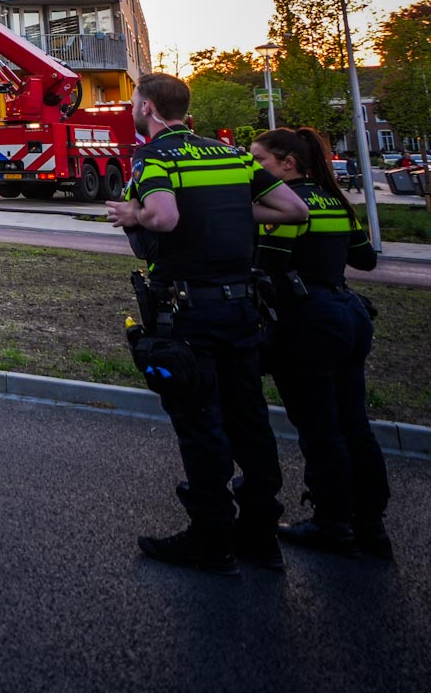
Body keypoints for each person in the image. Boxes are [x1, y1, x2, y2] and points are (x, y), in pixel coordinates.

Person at [107, 74, 307, 575]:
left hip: (188, 312)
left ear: (149, 108)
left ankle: (210, 538)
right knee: (250, 420)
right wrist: (237, 213)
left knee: (200, 425)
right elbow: (292, 208)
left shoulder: (153, 157)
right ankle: (261, 534)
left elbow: (164, 217)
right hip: (241, 309)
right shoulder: (234, 155)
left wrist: (133, 212)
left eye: (134, 103)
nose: (132, 109)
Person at [251, 127, 393, 559]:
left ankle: (332, 522)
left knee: (319, 426)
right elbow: (365, 259)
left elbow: (267, 267)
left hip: (308, 323)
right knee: (354, 422)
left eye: (260, 162)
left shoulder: (288, 208)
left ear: (287, 164)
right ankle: (370, 522)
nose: (254, 169)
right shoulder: (335, 200)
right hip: (348, 315)